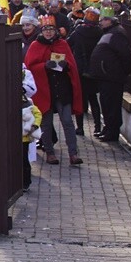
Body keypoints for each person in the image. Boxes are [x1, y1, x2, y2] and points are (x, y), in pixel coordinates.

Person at [24, 14, 83, 165]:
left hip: (62, 90)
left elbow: (71, 65)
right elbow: (29, 67)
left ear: (56, 30)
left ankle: (73, 153)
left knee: (67, 122)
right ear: (41, 31)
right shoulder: (35, 45)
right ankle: (49, 152)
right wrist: (44, 66)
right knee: (46, 123)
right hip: (45, 90)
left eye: (51, 29)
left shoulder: (62, 44)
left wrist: (66, 65)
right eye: (45, 29)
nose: (48, 32)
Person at [88, 7, 131, 142]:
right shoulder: (109, 32)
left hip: (112, 77)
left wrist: (122, 71)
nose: (100, 22)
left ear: (110, 20)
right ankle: (107, 128)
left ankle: (112, 132)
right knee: (106, 104)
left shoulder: (117, 33)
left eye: (103, 20)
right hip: (106, 76)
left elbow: (126, 55)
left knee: (112, 105)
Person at [67, 6, 103, 136]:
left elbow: (68, 44)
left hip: (79, 69)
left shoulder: (78, 31)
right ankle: (97, 127)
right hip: (94, 68)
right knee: (93, 99)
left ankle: (80, 128)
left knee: (80, 99)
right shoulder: (100, 33)